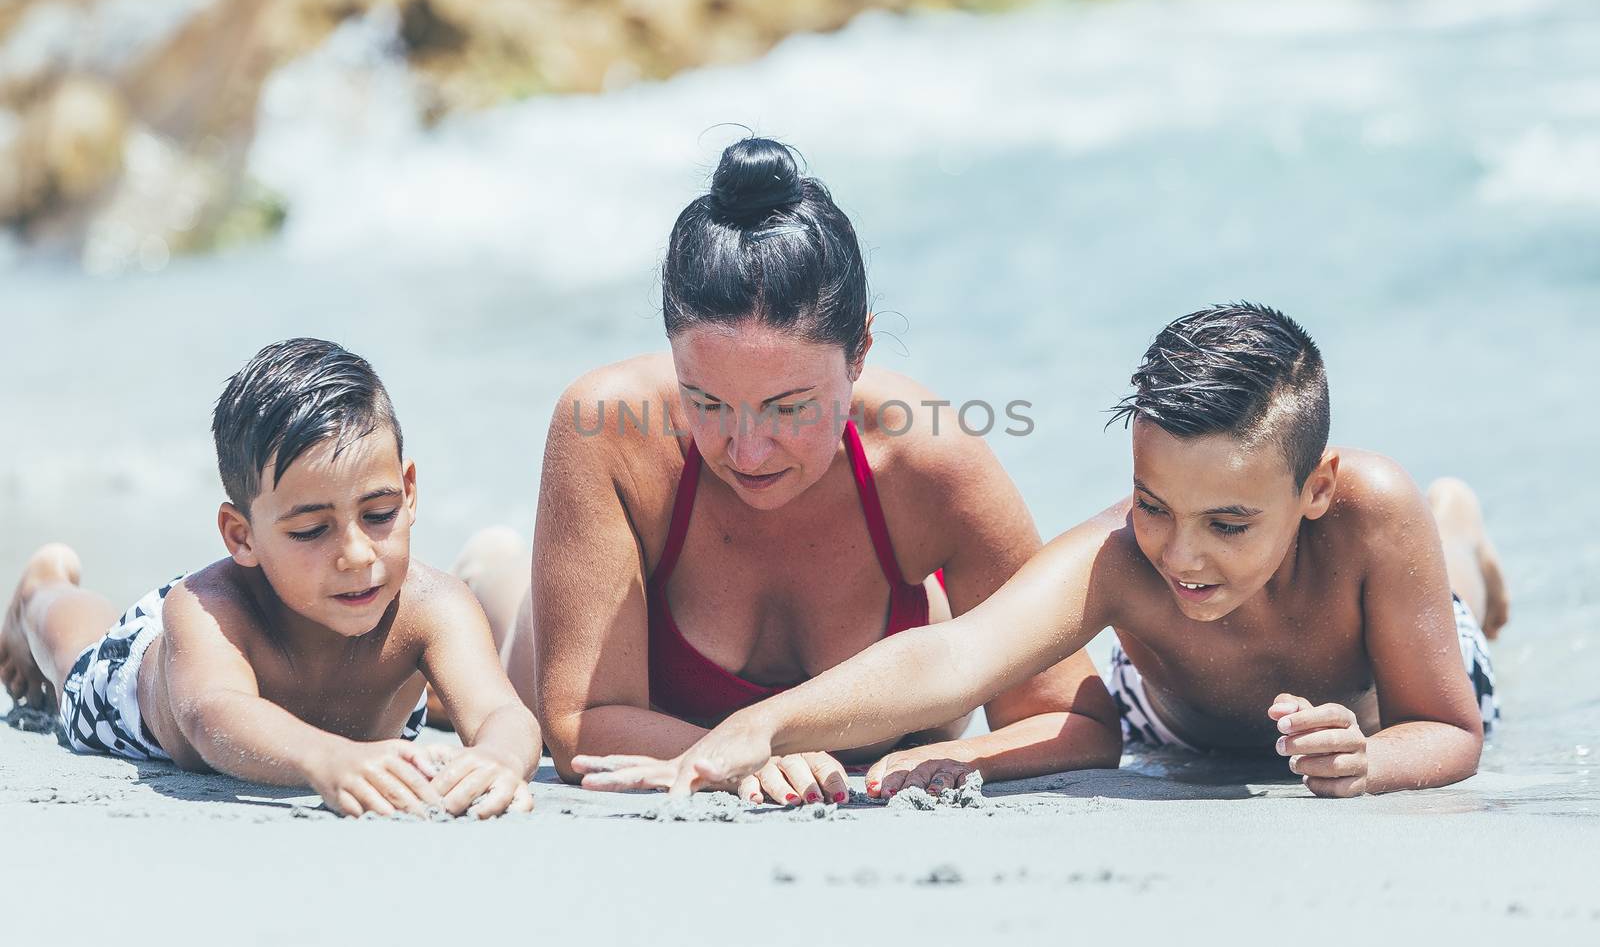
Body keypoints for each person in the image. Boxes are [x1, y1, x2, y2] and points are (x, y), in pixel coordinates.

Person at [577, 303, 1509, 799]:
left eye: (1229, 524)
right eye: (1152, 504)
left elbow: (1450, 728)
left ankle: (1456, 531)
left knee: (1446, 593)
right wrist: (763, 728)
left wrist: (1369, 761)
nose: (1181, 555)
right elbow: (957, 653)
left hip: (1371, 700)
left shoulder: (1366, 513)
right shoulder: (1121, 559)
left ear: (1314, 489)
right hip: (1175, 723)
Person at [459, 136, 1121, 805]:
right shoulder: (610, 429)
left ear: (858, 352)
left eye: (789, 407)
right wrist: (756, 758)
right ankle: (490, 578)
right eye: (708, 402)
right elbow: (579, 728)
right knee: (495, 634)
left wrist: (950, 755)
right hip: (537, 655)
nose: (747, 452)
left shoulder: (927, 461)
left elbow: (1075, 719)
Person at [0, 338, 541, 818]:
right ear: (241, 535)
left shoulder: (432, 604)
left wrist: (498, 756)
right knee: (77, 653)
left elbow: (500, 711)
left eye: (379, 515)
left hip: (358, 723)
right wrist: (325, 757)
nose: (356, 554)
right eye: (311, 530)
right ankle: (41, 590)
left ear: (410, 491)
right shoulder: (209, 609)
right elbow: (214, 716)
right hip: (142, 688)